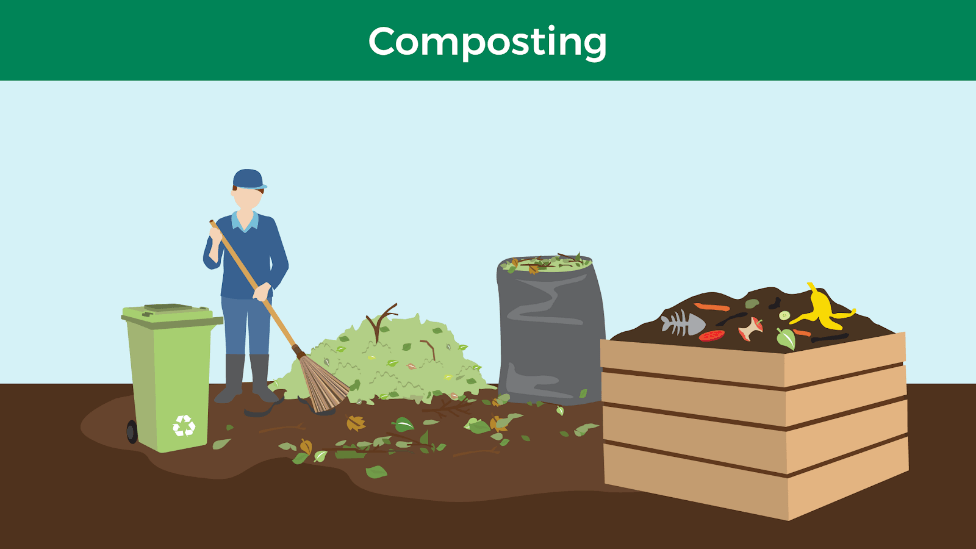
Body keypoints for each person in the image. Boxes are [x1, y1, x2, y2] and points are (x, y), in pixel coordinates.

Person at [204, 169, 288, 404]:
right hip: (231, 295)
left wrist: (267, 285)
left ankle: (261, 387)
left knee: (260, 339)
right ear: (234, 192)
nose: (252, 197)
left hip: (261, 296)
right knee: (234, 340)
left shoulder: (268, 225)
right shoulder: (221, 225)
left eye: (257, 192)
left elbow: (282, 262)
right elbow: (211, 263)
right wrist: (214, 241)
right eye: (246, 192)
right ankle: (233, 388)